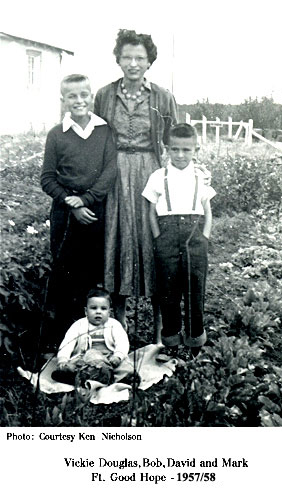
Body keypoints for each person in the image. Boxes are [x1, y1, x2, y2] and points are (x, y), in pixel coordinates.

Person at [94, 29, 178, 340]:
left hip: (149, 173)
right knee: (115, 241)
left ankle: (158, 330)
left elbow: (175, 142)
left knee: (151, 242)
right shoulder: (104, 95)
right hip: (113, 174)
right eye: (127, 57)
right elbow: (94, 138)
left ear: (149, 62)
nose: (133, 63)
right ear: (118, 59)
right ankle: (118, 325)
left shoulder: (161, 97)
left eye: (139, 58)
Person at [41, 74, 117, 347]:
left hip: (96, 213)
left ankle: (95, 341)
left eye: (84, 95)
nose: (79, 101)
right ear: (63, 100)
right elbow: (47, 179)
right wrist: (70, 202)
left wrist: (86, 199)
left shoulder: (105, 130)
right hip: (66, 216)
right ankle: (65, 341)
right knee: (65, 277)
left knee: (93, 276)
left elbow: (110, 172)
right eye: (72, 96)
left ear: (91, 97)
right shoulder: (57, 134)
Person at [142, 123, 216, 361]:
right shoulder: (158, 176)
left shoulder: (201, 176)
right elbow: (151, 210)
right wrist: (157, 236)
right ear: (167, 149)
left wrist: (205, 236)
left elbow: (207, 207)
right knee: (168, 291)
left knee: (195, 288)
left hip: (195, 235)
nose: (181, 155)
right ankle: (172, 341)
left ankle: (195, 342)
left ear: (196, 149)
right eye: (175, 149)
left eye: (186, 150)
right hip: (166, 235)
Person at [51, 287, 130, 385]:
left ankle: (125, 377)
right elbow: (67, 343)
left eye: (103, 308)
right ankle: (75, 375)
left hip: (110, 359)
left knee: (125, 366)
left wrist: (118, 356)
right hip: (85, 358)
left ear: (109, 312)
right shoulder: (79, 325)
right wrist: (63, 358)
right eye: (93, 308)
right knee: (73, 365)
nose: (98, 312)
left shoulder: (114, 325)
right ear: (86, 311)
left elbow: (122, 342)